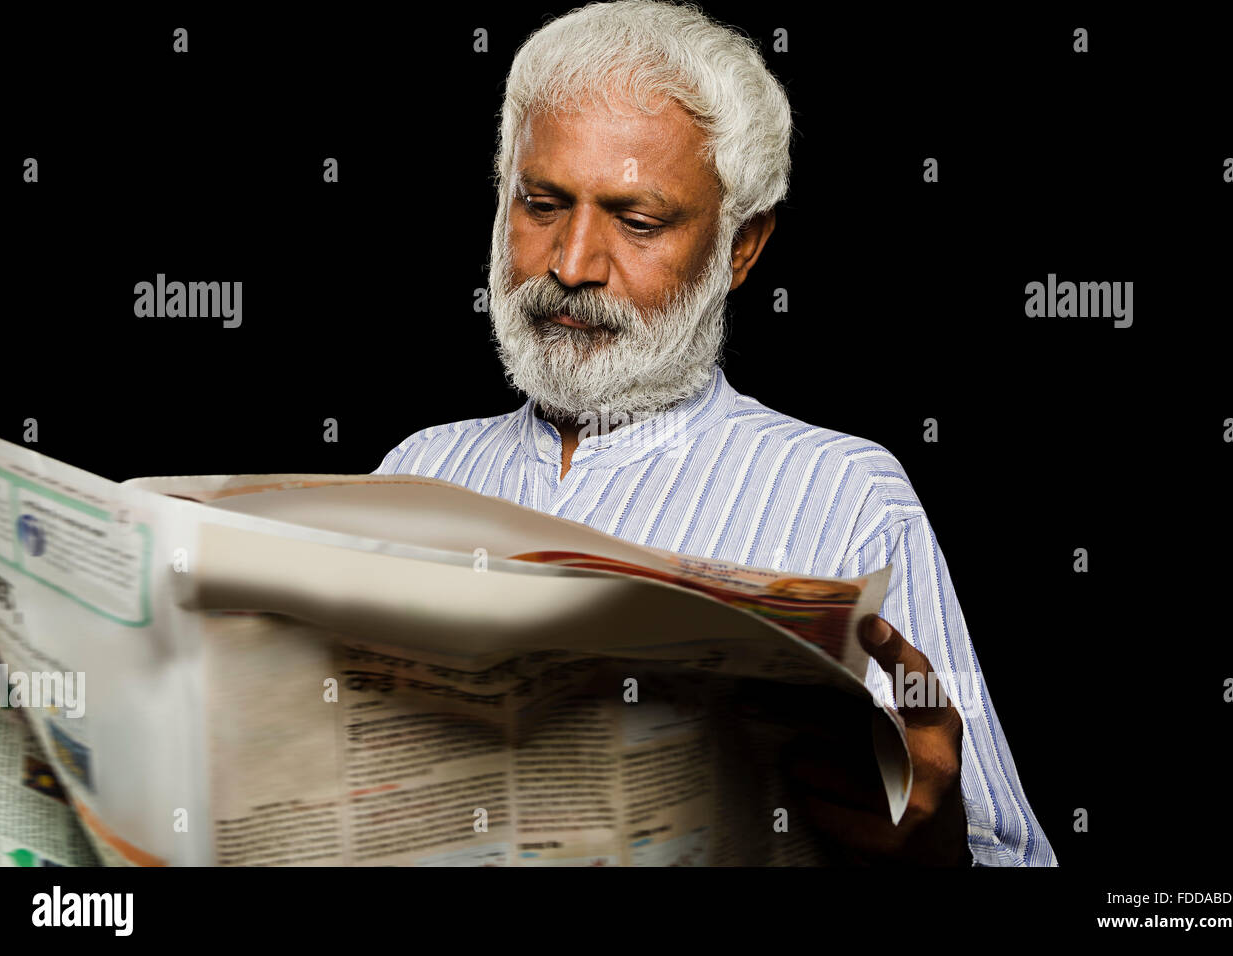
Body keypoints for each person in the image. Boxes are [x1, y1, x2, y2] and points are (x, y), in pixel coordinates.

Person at [375, 0, 1055, 866]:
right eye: (542, 204)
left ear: (742, 248)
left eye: (637, 220)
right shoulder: (416, 470)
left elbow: (1014, 857)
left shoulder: (847, 498)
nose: (572, 265)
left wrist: (938, 845)